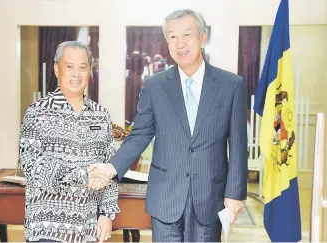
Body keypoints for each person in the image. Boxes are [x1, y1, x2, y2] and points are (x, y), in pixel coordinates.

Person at [89, 9, 248, 242]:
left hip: (209, 197)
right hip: (165, 197)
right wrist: (112, 168)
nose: (180, 43)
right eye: (172, 37)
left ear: (203, 38)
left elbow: (237, 143)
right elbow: (140, 134)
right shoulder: (155, 86)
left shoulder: (231, 85)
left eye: (187, 35)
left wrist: (234, 194)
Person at [19, 41, 120, 243]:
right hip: (47, 229)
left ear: (90, 71)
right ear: (57, 69)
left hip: (89, 229)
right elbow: (32, 166)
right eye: (69, 66)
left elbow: (110, 167)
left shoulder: (100, 116)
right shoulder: (37, 112)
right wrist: (84, 176)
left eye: (83, 67)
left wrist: (107, 214)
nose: (76, 74)